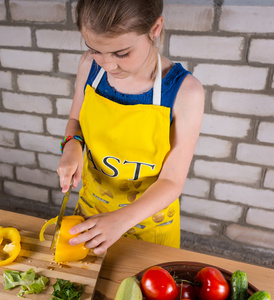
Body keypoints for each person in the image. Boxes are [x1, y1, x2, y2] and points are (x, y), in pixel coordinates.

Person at [57, 0, 204, 256]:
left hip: (149, 225)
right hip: (91, 211)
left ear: (155, 28)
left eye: (121, 53)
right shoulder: (88, 67)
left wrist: (120, 221)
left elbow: (172, 181)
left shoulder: (186, 92)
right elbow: (76, 122)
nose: (107, 65)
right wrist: (72, 145)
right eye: (94, 49)